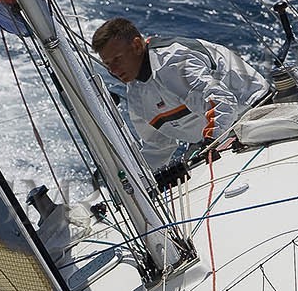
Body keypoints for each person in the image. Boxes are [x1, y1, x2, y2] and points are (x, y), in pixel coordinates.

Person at [90, 17, 267, 189]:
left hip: (256, 112)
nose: (112, 70)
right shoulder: (136, 93)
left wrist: (210, 143)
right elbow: (158, 145)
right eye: (107, 64)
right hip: (213, 139)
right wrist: (136, 182)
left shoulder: (174, 61)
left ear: (137, 46)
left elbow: (222, 101)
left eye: (117, 59)